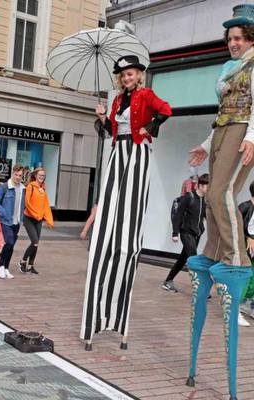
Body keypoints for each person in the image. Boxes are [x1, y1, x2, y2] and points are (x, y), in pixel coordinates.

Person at [82, 54, 172, 351]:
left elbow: (167, 110)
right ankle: (95, 318)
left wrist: (150, 127)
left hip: (137, 154)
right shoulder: (118, 100)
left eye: (130, 73)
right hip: (117, 154)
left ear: (139, 74)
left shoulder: (145, 95)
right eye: (122, 74)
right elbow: (111, 131)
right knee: (108, 219)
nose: (126, 77)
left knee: (128, 232)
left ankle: (119, 320)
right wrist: (101, 117)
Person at [186, 7, 254, 398]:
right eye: (230, 39)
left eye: (239, 39)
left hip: (244, 131)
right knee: (211, 193)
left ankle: (235, 256)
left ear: (250, 40)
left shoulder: (253, 66)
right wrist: (204, 144)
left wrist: (252, 138)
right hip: (226, 129)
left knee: (222, 194)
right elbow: (222, 115)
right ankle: (213, 249)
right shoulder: (228, 71)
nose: (233, 43)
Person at [163, 174, 209, 293]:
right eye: (208, 186)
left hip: (197, 235)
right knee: (193, 258)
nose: (210, 189)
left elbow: (205, 216)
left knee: (183, 259)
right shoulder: (189, 197)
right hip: (186, 232)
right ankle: (200, 288)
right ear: (201, 185)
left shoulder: (205, 200)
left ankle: (168, 281)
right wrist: (175, 233)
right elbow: (178, 214)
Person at [18, 168, 54, 275]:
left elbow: (46, 206)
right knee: (35, 242)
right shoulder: (31, 186)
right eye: (40, 175)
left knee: (36, 244)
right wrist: (35, 214)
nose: (42, 177)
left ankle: (31, 265)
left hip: (38, 220)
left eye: (43, 176)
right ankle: (23, 261)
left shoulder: (43, 189)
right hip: (29, 218)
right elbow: (27, 203)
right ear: (36, 175)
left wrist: (49, 220)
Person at [0, 164, 25, 280]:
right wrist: (4, 212)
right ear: (12, 174)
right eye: (16, 175)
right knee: (9, 242)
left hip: (17, 221)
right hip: (6, 221)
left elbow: (23, 205)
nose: (17, 177)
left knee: (11, 246)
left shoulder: (23, 188)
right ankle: (0, 265)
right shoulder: (5, 186)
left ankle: (6, 268)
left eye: (20, 175)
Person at [238, 181, 254, 327]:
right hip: (244, 250)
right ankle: (234, 310)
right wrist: (247, 237)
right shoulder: (244, 207)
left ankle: (247, 304)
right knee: (244, 278)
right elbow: (235, 227)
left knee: (252, 280)